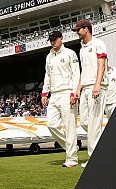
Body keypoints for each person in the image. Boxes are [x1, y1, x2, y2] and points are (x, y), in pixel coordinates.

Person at [41, 31, 80, 167]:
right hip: (54, 94)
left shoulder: (70, 53)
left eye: (55, 39)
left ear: (61, 39)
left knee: (70, 127)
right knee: (51, 124)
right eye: (51, 40)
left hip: (67, 92)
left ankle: (72, 159)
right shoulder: (49, 56)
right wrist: (44, 92)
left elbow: (76, 74)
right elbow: (47, 75)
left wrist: (74, 92)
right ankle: (72, 148)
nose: (53, 42)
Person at [74, 19, 107, 166]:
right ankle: (103, 144)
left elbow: (101, 66)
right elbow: (83, 71)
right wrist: (78, 88)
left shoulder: (98, 44)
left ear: (86, 29)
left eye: (78, 29)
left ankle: (95, 159)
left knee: (94, 123)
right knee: (85, 122)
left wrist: (97, 85)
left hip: (96, 87)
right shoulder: (81, 48)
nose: (77, 32)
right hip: (86, 88)